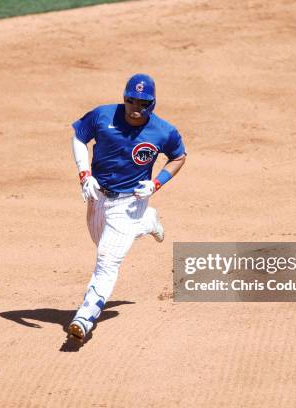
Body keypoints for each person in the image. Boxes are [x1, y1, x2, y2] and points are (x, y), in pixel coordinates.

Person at [67, 73, 187, 342]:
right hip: (98, 198)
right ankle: (147, 222)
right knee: (101, 244)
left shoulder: (163, 131)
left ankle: (85, 317)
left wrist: (156, 183)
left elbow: (178, 156)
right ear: (124, 98)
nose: (136, 107)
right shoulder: (102, 116)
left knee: (107, 260)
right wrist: (84, 175)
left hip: (131, 200)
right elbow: (79, 136)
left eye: (143, 103)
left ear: (152, 103)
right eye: (131, 101)